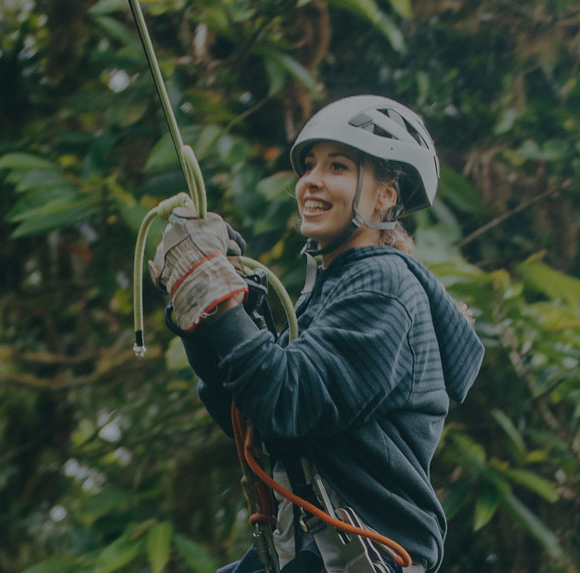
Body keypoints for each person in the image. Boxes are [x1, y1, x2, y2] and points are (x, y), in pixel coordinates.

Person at [146, 95, 485, 572]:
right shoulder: (332, 290)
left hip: (361, 555)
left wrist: (218, 297)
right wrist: (204, 315)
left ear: (386, 194)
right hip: (318, 550)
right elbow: (254, 422)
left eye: (339, 166)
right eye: (310, 166)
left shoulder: (385, 285)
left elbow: (291, 402)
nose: (312, 181)